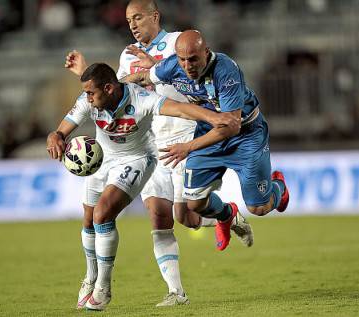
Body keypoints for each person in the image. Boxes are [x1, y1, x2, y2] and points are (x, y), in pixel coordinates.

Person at [64, 0, 253, 308]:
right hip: (150, 144)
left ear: (155, 16)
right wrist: (85, 73)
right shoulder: (127, 54)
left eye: (138, 17)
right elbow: (117, 89)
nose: (133, 24)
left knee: (188, 216)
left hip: (185, 136)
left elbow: (194, 83)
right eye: (128, 19)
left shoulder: (179, 43)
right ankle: (176, 292)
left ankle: (227, 213)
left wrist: (157, 69)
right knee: (159, 215)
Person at [46, 62, 239, 311]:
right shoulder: (88, 100)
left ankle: (103, 289)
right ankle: (90, 277)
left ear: (109, 88)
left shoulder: (142, 99)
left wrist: (215, 118)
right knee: (88, 219)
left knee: (103, 212)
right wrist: (55, 136)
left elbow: (180, 109)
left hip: (138, 159)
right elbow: (61, 131)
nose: (88, 98)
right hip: (102, 159)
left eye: (92, 93)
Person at [123, 30, 290, 251]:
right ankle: (227, 215)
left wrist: (188, 147)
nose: (187, 65)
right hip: (207, 132)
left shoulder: (226, 71)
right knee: (195, 203)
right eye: (182, 59)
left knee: (259, 208)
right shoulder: (173, 65)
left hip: (245, 135)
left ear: (206, 53)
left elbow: (230, 126)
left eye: (192, 59)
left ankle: (278, 188)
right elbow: (144, 77)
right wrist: (113, 88)